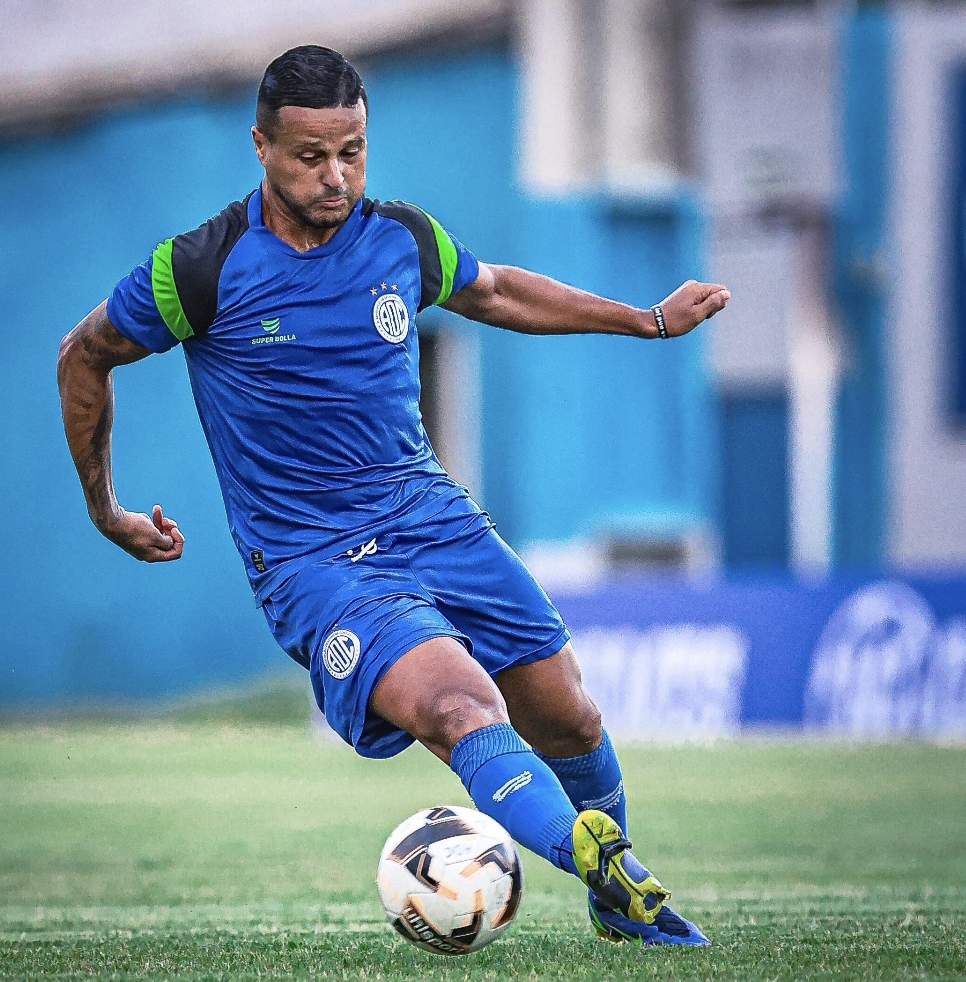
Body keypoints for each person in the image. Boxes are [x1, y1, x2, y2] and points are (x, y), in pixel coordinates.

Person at [57, 44, 729, 946]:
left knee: (568, 714)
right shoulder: (200, 269)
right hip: (317, 563)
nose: (335, 177)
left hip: (432, 518)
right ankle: (602, 864)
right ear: (260, 145)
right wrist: (104, 507)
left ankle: (611, 894)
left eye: (353, 152)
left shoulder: (401, 240)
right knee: (460, 708)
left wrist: (644, 319)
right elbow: (83, 355)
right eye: (310, 156)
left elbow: (497, 292)